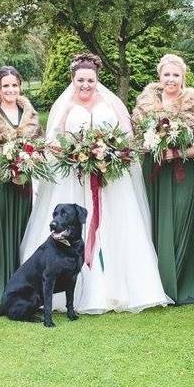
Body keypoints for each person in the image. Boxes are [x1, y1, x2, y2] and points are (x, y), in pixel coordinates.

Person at [19, 53, 171, 314]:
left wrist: (109, 154)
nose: (85, 85)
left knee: (116, 227)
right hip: (73, 180)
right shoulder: (64, 107)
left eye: (90, 80)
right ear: (73, 80)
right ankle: (70, 291)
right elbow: (53, 144)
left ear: (97, 79)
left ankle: (118, 288)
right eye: (80, 80)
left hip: (110, 180)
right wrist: (76, 155)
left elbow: (127, 139)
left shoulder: (112, 105)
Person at [131, 54, 194, 305]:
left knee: (180, 219)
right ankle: (155, 284)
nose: (171, 79)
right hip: (153, 171)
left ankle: (182, 282)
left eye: (176, 75)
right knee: (153, 221)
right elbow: (134, 138)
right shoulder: (144, 105)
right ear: (159, 76)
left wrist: (177, 152)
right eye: (167, 74)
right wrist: (151, 146)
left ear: (183, 77)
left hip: (181, 172)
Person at [0, 66, 41, 301]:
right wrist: (5, 168)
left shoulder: (30, 115)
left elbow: (39, 148)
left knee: (22, 231)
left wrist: (26, 165)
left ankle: (22, 288)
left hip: (23, 181)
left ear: (20, 87)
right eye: (6, 85)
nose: (10, 89)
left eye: (14, 85)